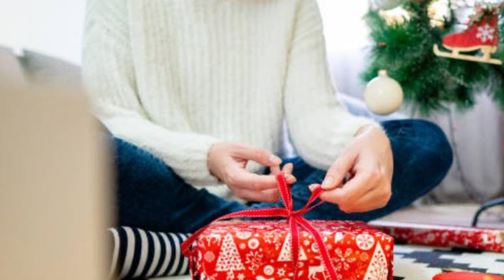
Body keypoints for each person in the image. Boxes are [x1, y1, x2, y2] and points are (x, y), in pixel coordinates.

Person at [83, 0, 453, 235]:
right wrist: (209, 156)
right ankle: (266, 232)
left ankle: (230, 234)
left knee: (423, 143)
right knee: (88, 151)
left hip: (272, 192)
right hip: (167, 187)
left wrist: (364, 137)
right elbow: (113, 118)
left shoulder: (294, 5)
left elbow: (316, 120)